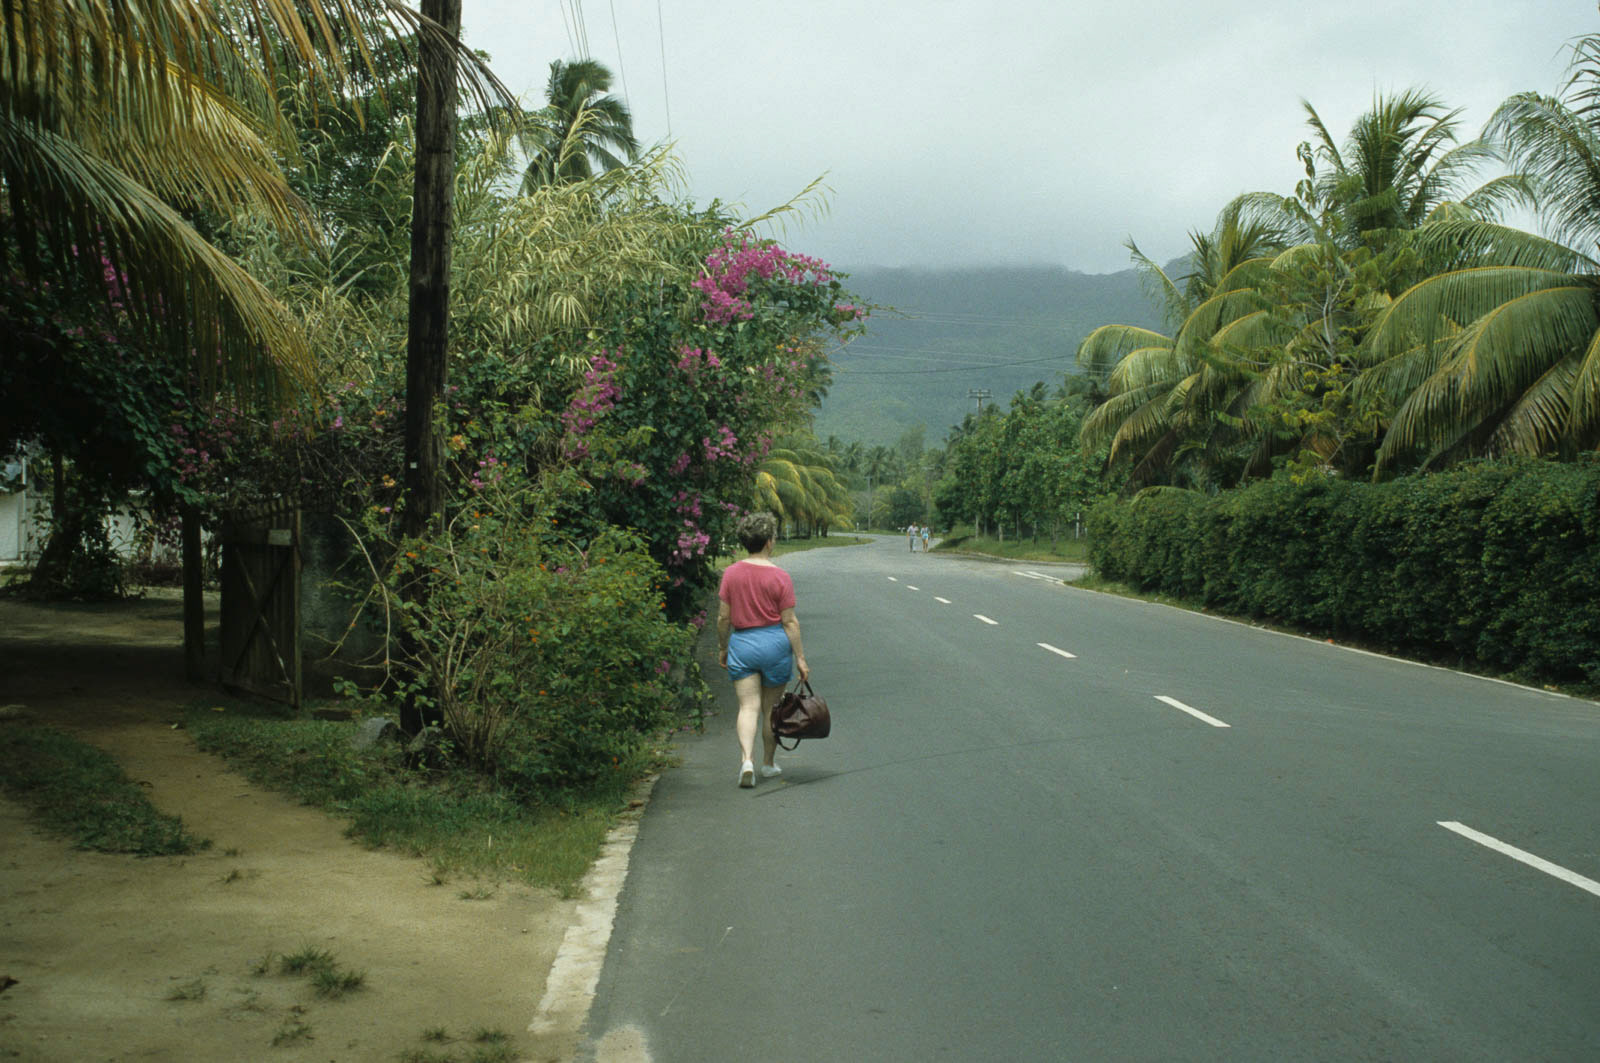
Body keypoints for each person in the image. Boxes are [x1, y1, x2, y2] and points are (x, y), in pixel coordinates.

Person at [717, 511, 810, 788]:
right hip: (775, 646)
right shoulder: (781, 577)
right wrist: (801, 659)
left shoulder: (731, 573)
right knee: (771, 710)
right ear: (769, 542)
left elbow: (723, 618)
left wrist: (723, 647)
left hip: (743, 644)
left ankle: (747, 760)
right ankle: (768, 764)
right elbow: (790, 621)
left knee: (748, 707)